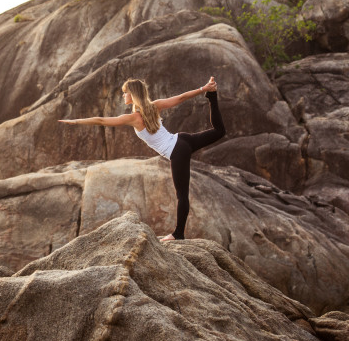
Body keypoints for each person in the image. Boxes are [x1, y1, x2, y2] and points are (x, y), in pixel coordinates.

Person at [59, 76, 225, 241]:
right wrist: (204, 89)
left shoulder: (134, 118)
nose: (123, 96)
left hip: (177, 150)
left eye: (125, 93)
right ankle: (212, 96)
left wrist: (76, 121)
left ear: (132, 95)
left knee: (182, 195)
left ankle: (178, 234)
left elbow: (102, 121)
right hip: (183, 140)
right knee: (219, 131)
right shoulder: (155, 106)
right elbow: (181, 97)